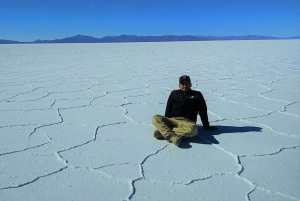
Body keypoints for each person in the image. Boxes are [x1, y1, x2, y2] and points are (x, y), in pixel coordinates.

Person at [152, 75, 217, 147]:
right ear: (179, 85)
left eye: (187, 83)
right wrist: (166, 122)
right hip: (173, 120)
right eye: (182, 84)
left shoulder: (197, 95)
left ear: (191, 84)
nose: (185, 86)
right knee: (155, 117)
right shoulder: (174, 93)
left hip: (187, 123)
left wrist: (206, 126)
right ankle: (171, 135)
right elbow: (168, 109)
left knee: (193, 130)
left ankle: (164, 132)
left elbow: (203, 111)